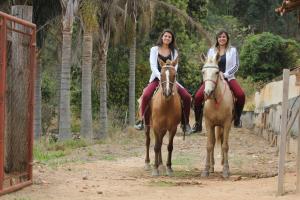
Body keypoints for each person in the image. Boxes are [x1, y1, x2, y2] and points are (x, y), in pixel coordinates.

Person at [134, 29, 192, 134]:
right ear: (162, 37)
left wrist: (168, 77)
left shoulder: (175, 51)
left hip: (170, 79)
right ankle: (142, 120)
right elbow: (152, 66)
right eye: (165, 36)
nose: (167, 38)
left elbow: (175, 67)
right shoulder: (154, 49)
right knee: (146, 95)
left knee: (187, 97)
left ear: (171, 39)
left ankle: (185, 124)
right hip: (157, 78)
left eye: (169, 37)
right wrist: (161, 77)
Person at [191, 30, 245, 133]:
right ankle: (198, 124)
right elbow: (207, 64)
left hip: (228, 77)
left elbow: (236, 65)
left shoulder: (233, 50)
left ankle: (237, 119)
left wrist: (225, 74)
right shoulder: (211, 50)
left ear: (227, 38)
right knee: (197, 97)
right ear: (217, 39)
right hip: (212, 78)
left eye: (224, 37)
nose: (222, 39)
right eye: (220, 37)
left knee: (241, 95)